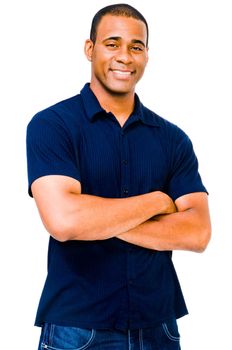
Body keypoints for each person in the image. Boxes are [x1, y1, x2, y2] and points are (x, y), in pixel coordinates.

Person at [26, 3, 211, 350]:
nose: (124, 56)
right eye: (112, 43)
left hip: (159, 328)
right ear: (89, 48)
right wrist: (157, 202)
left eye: (135, 46)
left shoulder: (172, 139)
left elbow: (198, 233)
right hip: (77, 329)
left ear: (146, 55)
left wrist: (96, 220)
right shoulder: (52, 125)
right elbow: (64, 220)